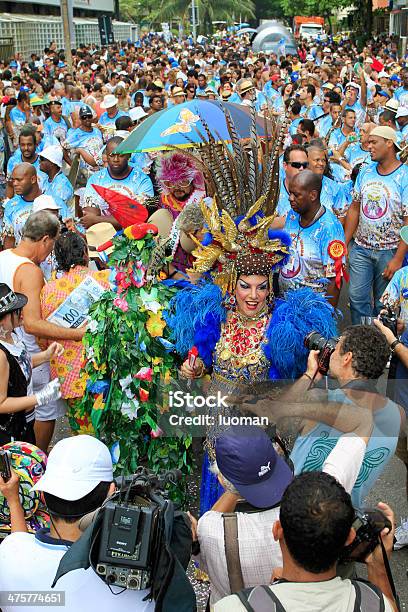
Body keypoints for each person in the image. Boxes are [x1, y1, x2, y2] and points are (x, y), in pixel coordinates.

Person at [0, 435, 155, 611]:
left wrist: (14, 501)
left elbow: (17, 542)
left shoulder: (7, 555)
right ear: (111, 493)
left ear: (42, 494)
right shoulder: (137, 588)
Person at [215, 472, 397, 612]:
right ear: (349, 537)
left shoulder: (232, 608)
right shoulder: (373, 604)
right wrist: (378, 566)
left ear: (277, 531)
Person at [0, 212, 85, 451]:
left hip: (11, 348)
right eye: (52, 246)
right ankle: (37, 463)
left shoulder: (4, 256)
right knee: (44, 412)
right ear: (46, 239)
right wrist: (78, 334)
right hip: (26, 352)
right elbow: (32, 324)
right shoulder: (30, 271)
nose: (50, 254)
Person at [194, 426, 293, 606]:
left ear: (222, 479)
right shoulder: (300, 519)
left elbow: (208, 526)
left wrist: (235, 486)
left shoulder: (210, 529)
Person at [40, 231, 110, 433]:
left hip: (68, 376)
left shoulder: (50, 290)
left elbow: (44, 339)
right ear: (85, 254)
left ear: (59, 260)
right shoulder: (105, 279)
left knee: (83, 433)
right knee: (111, 430)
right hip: (103, 369)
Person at [345, 126, 408, 325]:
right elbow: (354, 208)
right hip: (361, 249)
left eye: (374, 142)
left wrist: (398, 258)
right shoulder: (365, 172)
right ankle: (361, 343)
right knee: (357, 300)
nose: (368, 146)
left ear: (389, 143)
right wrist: (344, 244)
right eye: (368, 142)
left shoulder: (405, 176)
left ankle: (382, 350)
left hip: (389, 253)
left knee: (384, 306)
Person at [0, 283, 62, 445]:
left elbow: (19, 366)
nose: (22, 314)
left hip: (25, 422)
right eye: (16, 311)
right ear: (3, 320)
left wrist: (46, 355)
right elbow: (1, 403)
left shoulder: (11, 336)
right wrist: (39, 397)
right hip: (8, 431)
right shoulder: (0, 355)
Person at [279, 170, 346, 306]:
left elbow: (335, 279)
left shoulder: (330, 229)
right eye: (290, 193)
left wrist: (327, 315)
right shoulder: (293, 214)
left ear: (313, 195)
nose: (290, 198)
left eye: (296, 195)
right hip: (285, 304)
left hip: (312, 309)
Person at [80, 136, 154, 229]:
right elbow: (89, 218)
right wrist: (95, 219)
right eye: (111, 155)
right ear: (106, 156)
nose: (116, 159)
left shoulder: (142, 180)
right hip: (103, 235)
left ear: (129, 155)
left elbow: (136, 219)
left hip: (134, 237)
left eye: (121, 155)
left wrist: (97, 219)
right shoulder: (95, 180)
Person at [39, 144, 74, 215]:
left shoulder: (62, 185)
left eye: (42, 159)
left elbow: (61, 213)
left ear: (52, 163)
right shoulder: (47, 179)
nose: (40, 162)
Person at [276, 144, 309, 218]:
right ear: (285, 166)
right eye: (296, 165)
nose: (301, 168)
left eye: (305, 165)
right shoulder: (273, 192)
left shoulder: (317, 190)